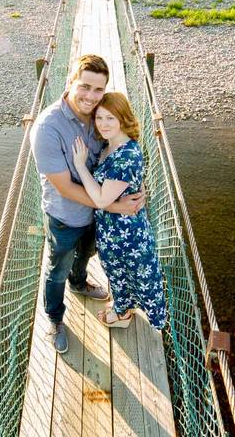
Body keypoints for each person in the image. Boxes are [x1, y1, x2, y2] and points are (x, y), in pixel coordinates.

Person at [30, 54, 146, 353]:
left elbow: (124, 141)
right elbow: (64, 186)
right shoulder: (47, 128)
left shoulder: (101, 113)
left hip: (98, 216)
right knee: (58, 269)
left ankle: (79, 283)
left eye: (99, 90)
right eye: (85, 87)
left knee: (87, 254)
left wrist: (137, 182)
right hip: (66, 217)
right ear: (70, 82)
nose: (91, 97)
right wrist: (114, 206)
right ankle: (55, 319)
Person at [71, 92, 167, 331]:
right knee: (118, 273)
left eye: (110, 118)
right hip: (113, 229)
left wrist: (80, 166)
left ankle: (122, 315)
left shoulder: (125, 156)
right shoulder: (111, 145)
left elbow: (102, 199)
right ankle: (122, 308)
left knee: (130, 273)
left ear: (123, 119)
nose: (103, 124)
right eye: (100, 118)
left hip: (127, 235)